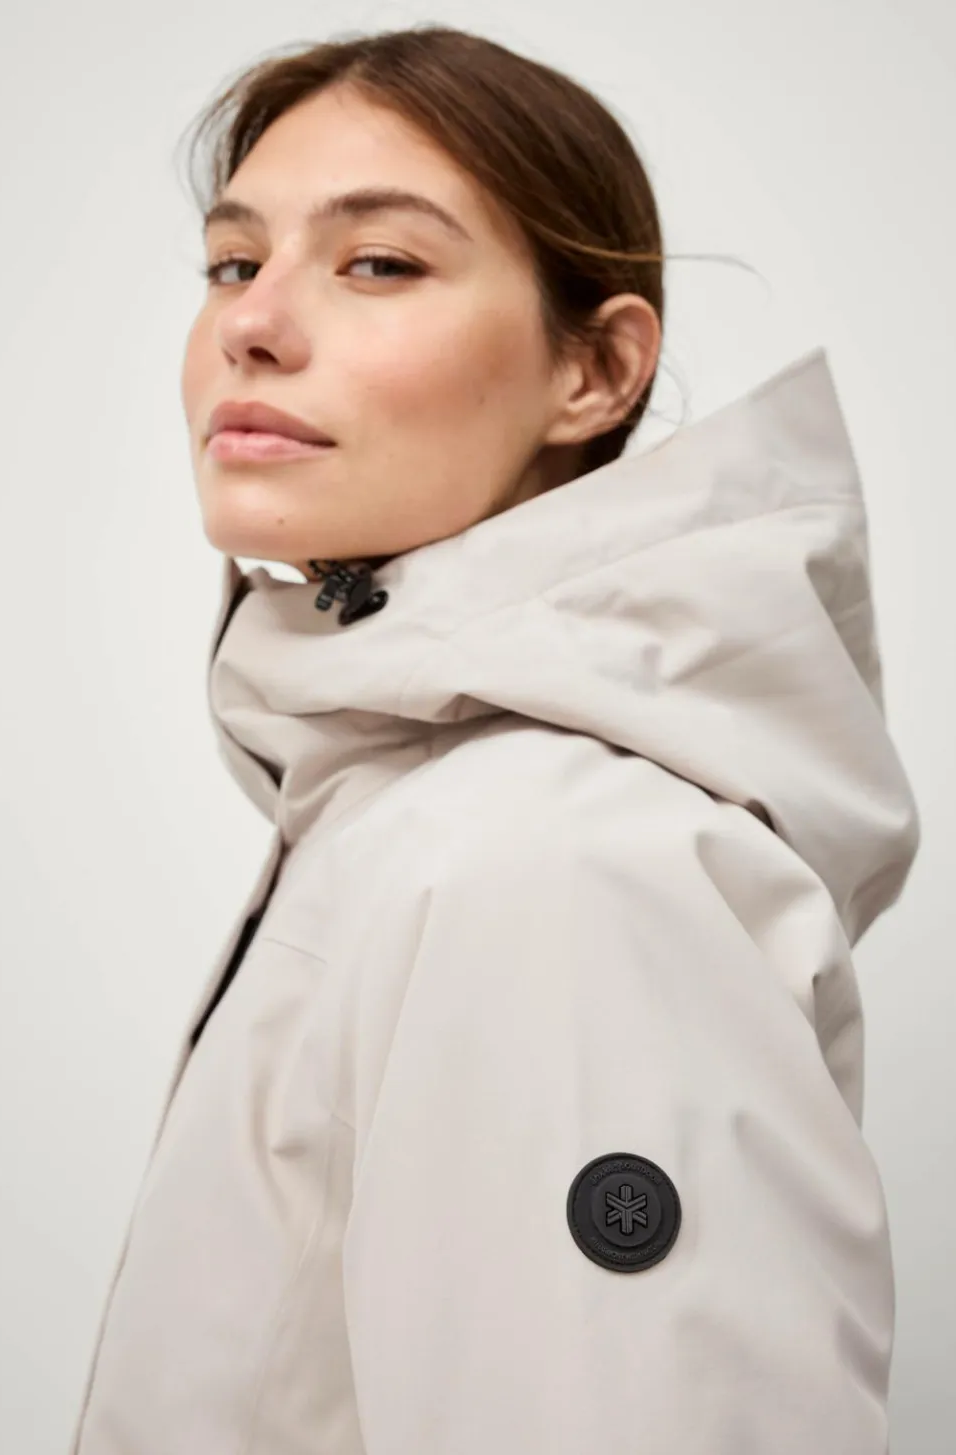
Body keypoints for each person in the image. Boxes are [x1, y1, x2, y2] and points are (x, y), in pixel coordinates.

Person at [67, 24, 920, 1455]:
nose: (251, 324)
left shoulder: (560, 864)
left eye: (377, 263)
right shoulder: (414, 811)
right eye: (232, 262)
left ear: (596, 372)